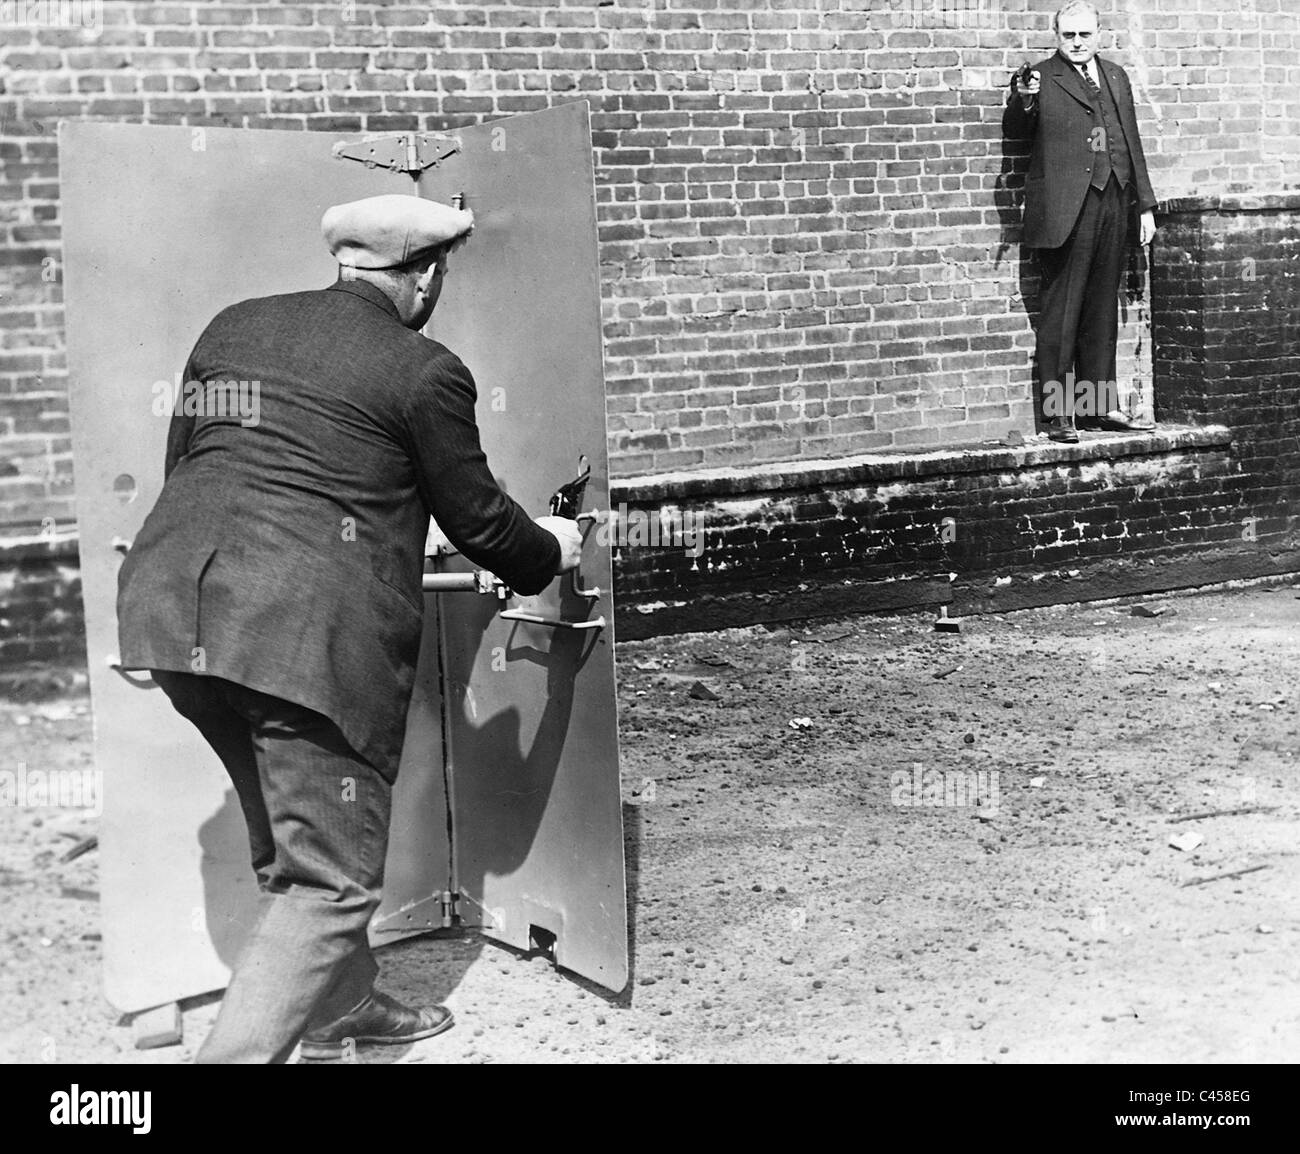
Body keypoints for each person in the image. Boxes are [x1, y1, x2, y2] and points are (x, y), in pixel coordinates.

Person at [115, 194, 584, 1063]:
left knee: (293, 847)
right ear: (427, 274)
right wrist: (551, 548)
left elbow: (200, 466)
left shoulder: (236, 326)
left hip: (173, 609)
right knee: (330, 881)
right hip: (296, 639)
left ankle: (340, 1010)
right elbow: (485, 527)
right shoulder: (425, 370)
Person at [1006, 0, 1159, 443]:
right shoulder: (1039, 78)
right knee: (1062, 311)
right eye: (1068, 35)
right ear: (1057, 36)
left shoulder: (1115, 76)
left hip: (1114, 201)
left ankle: (1094, 409)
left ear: (1098, 34)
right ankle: (1058, 416)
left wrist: (1144, 205)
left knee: (1099, 309)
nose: (1076, 43)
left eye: (1084, 35)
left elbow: (1131, 140)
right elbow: (1017, 129)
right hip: (1066, 210)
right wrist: (1025, 98)